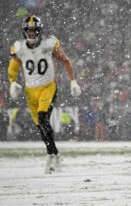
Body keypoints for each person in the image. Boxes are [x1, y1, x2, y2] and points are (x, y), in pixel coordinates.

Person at [7, 15, 82, 173]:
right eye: (30, 31)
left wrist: (73, 80)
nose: (32, 33)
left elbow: (65, 60)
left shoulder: (49, 44)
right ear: (24, 31)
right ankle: (55, 154)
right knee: (40, 126)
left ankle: (50, 156)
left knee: (42, 117)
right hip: (30, 91)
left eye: (35, 31)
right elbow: (13, 67)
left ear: (40, 30)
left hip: (48, 87)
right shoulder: (19, 47)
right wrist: (12, 81)